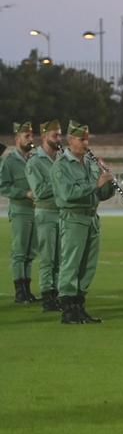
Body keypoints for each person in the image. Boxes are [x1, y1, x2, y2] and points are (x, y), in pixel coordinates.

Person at [51, 122, 118, 324]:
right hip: (73, 218)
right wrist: (94, 184)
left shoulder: (90, 164)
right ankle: (68, 309)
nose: (86, 143)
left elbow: (101, 194)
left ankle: (79, 305)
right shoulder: (61, 166)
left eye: (87, 139)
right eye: (82, 139)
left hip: (91, 217)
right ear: (70, 140)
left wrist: (109, 182)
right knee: (71, 264)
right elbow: (67, 194)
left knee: (88, 265)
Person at [26, 119, 62, 312]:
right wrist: (61, 182)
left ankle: (56, 292)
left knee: (60, 259)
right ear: (44, 136)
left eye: (60, 134)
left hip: (61, 213)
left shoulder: (61, 158)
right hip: (46, 212)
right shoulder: (34, 162)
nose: (59, 138)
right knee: (48, 258)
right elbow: (39, 190)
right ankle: (48, 295)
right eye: (55, 135)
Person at [3, 121, 38, 303]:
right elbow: (3, 186)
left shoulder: (33, 158)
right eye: (27, 136)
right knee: (19, 252)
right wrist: (24, 193)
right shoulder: (9, 162)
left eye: (31, 136)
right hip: (20, 210)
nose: (30, 139)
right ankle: (19, 291)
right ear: (17, 139)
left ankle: (27, 290)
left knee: (30, 252)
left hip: (35, 211)